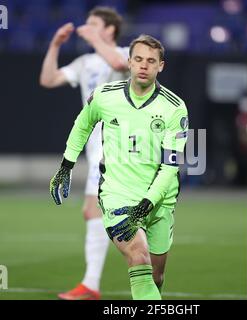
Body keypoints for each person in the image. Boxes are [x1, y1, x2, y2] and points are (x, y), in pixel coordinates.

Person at [50, 35, 189, 300]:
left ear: (161, 66)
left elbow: (171, 166)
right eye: (138, 59)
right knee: (139, 255)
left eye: (151, 61)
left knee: (156, 276)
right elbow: (82, 126)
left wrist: (148, 202)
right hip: (117, 195)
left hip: (160, 200)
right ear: (129, 63)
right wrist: (66, 165)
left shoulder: (174, 108)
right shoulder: (105, 96)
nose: (144, 66)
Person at [40, 6, 129, 300]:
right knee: (94, 211)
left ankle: (97, 282)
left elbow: (117, 61)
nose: (86, 28)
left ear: (110, 30)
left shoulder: (128, 52)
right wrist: (55, 44)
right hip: (96, 145)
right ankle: (92, 284)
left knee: (103, 212)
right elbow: (48, 79)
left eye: (94, 24)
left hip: (119, 143)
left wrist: (95, 39)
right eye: (87, 24)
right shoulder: (85, 61)